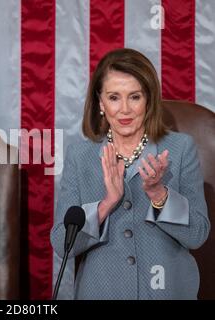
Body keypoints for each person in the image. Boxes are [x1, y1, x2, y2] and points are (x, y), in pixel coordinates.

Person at [50, 48, 210, 299]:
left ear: (148, 100)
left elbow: (198, 234)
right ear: (101, 102)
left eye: (134, 97)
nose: (124, 109)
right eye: (114, 97)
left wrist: (159, 195)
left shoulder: (180, 149)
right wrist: (106, 205)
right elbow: (62, 244)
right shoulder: (79, 156)